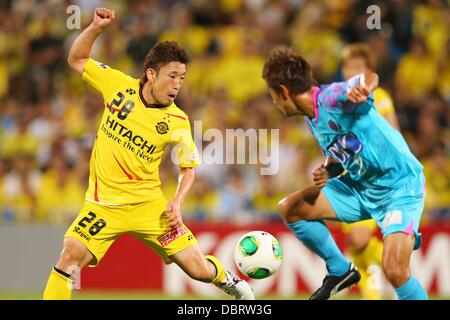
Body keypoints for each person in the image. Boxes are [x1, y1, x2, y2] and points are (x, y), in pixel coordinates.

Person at [43, 8, 254, 300]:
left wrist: (177, 201)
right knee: (69, 256)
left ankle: (227, 279)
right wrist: (95, 27)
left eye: (182, 77)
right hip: (102, 205)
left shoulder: (178, 121)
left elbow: (188, 169)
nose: (178, 84)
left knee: (197, 269)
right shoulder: (117, 85)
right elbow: (76, 59)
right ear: (151, 74)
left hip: (150, 206)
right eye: (172, 76)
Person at [262, 47, 428, 300]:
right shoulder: (311, 118)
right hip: (361, 187)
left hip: (398, 187)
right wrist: (329, 169)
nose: (273, 102)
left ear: (283, 91)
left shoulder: (332, 97)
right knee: (290, 208)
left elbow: (369, 76)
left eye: (272, 95)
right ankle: (340, 271)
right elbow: (345, 149)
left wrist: (365, 88)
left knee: (394, 270)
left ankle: (401, 234)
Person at [338, 43, 401, 299]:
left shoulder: (379, 96)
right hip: (348, 176)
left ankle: (398, 270)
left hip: (374, 176)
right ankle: (373, 292)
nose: (351, 71)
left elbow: (393, 133)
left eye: (357, 67)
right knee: (356, 242)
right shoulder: (339, 99)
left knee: (361, 237)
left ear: (368, 72)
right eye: (347, 66)